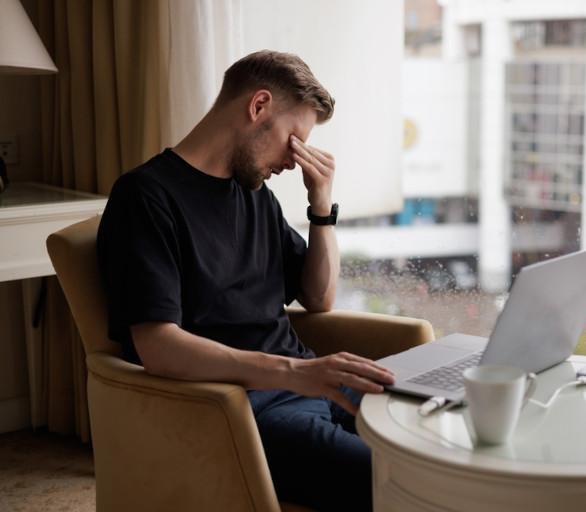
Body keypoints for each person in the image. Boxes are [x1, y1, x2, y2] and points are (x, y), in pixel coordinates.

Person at [97, 50, 395, 512]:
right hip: (241, 410)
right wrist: (298, 374)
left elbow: (319, 298)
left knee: (438, 440)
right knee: (400, 481)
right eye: (293, 139)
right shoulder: (146, 197)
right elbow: (157, 346)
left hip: (308, 387)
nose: (296, 161)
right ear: (258, 107)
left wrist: (321, 208)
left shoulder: (256, 195)